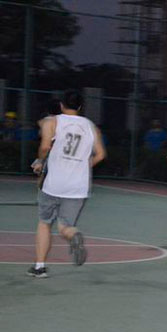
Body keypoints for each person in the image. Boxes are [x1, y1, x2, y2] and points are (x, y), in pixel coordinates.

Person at [27, 89, 106, 278]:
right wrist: (83, 166)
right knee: (65, 226)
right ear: (80, 106)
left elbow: (45, 146)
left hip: (53, 183)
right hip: (77, 186)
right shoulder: (91, 126)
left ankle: (39, 267)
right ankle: (73, 235)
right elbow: (101, 155)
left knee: (45, 223)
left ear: (61, 105)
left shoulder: (53, 122)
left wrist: (40, 161)